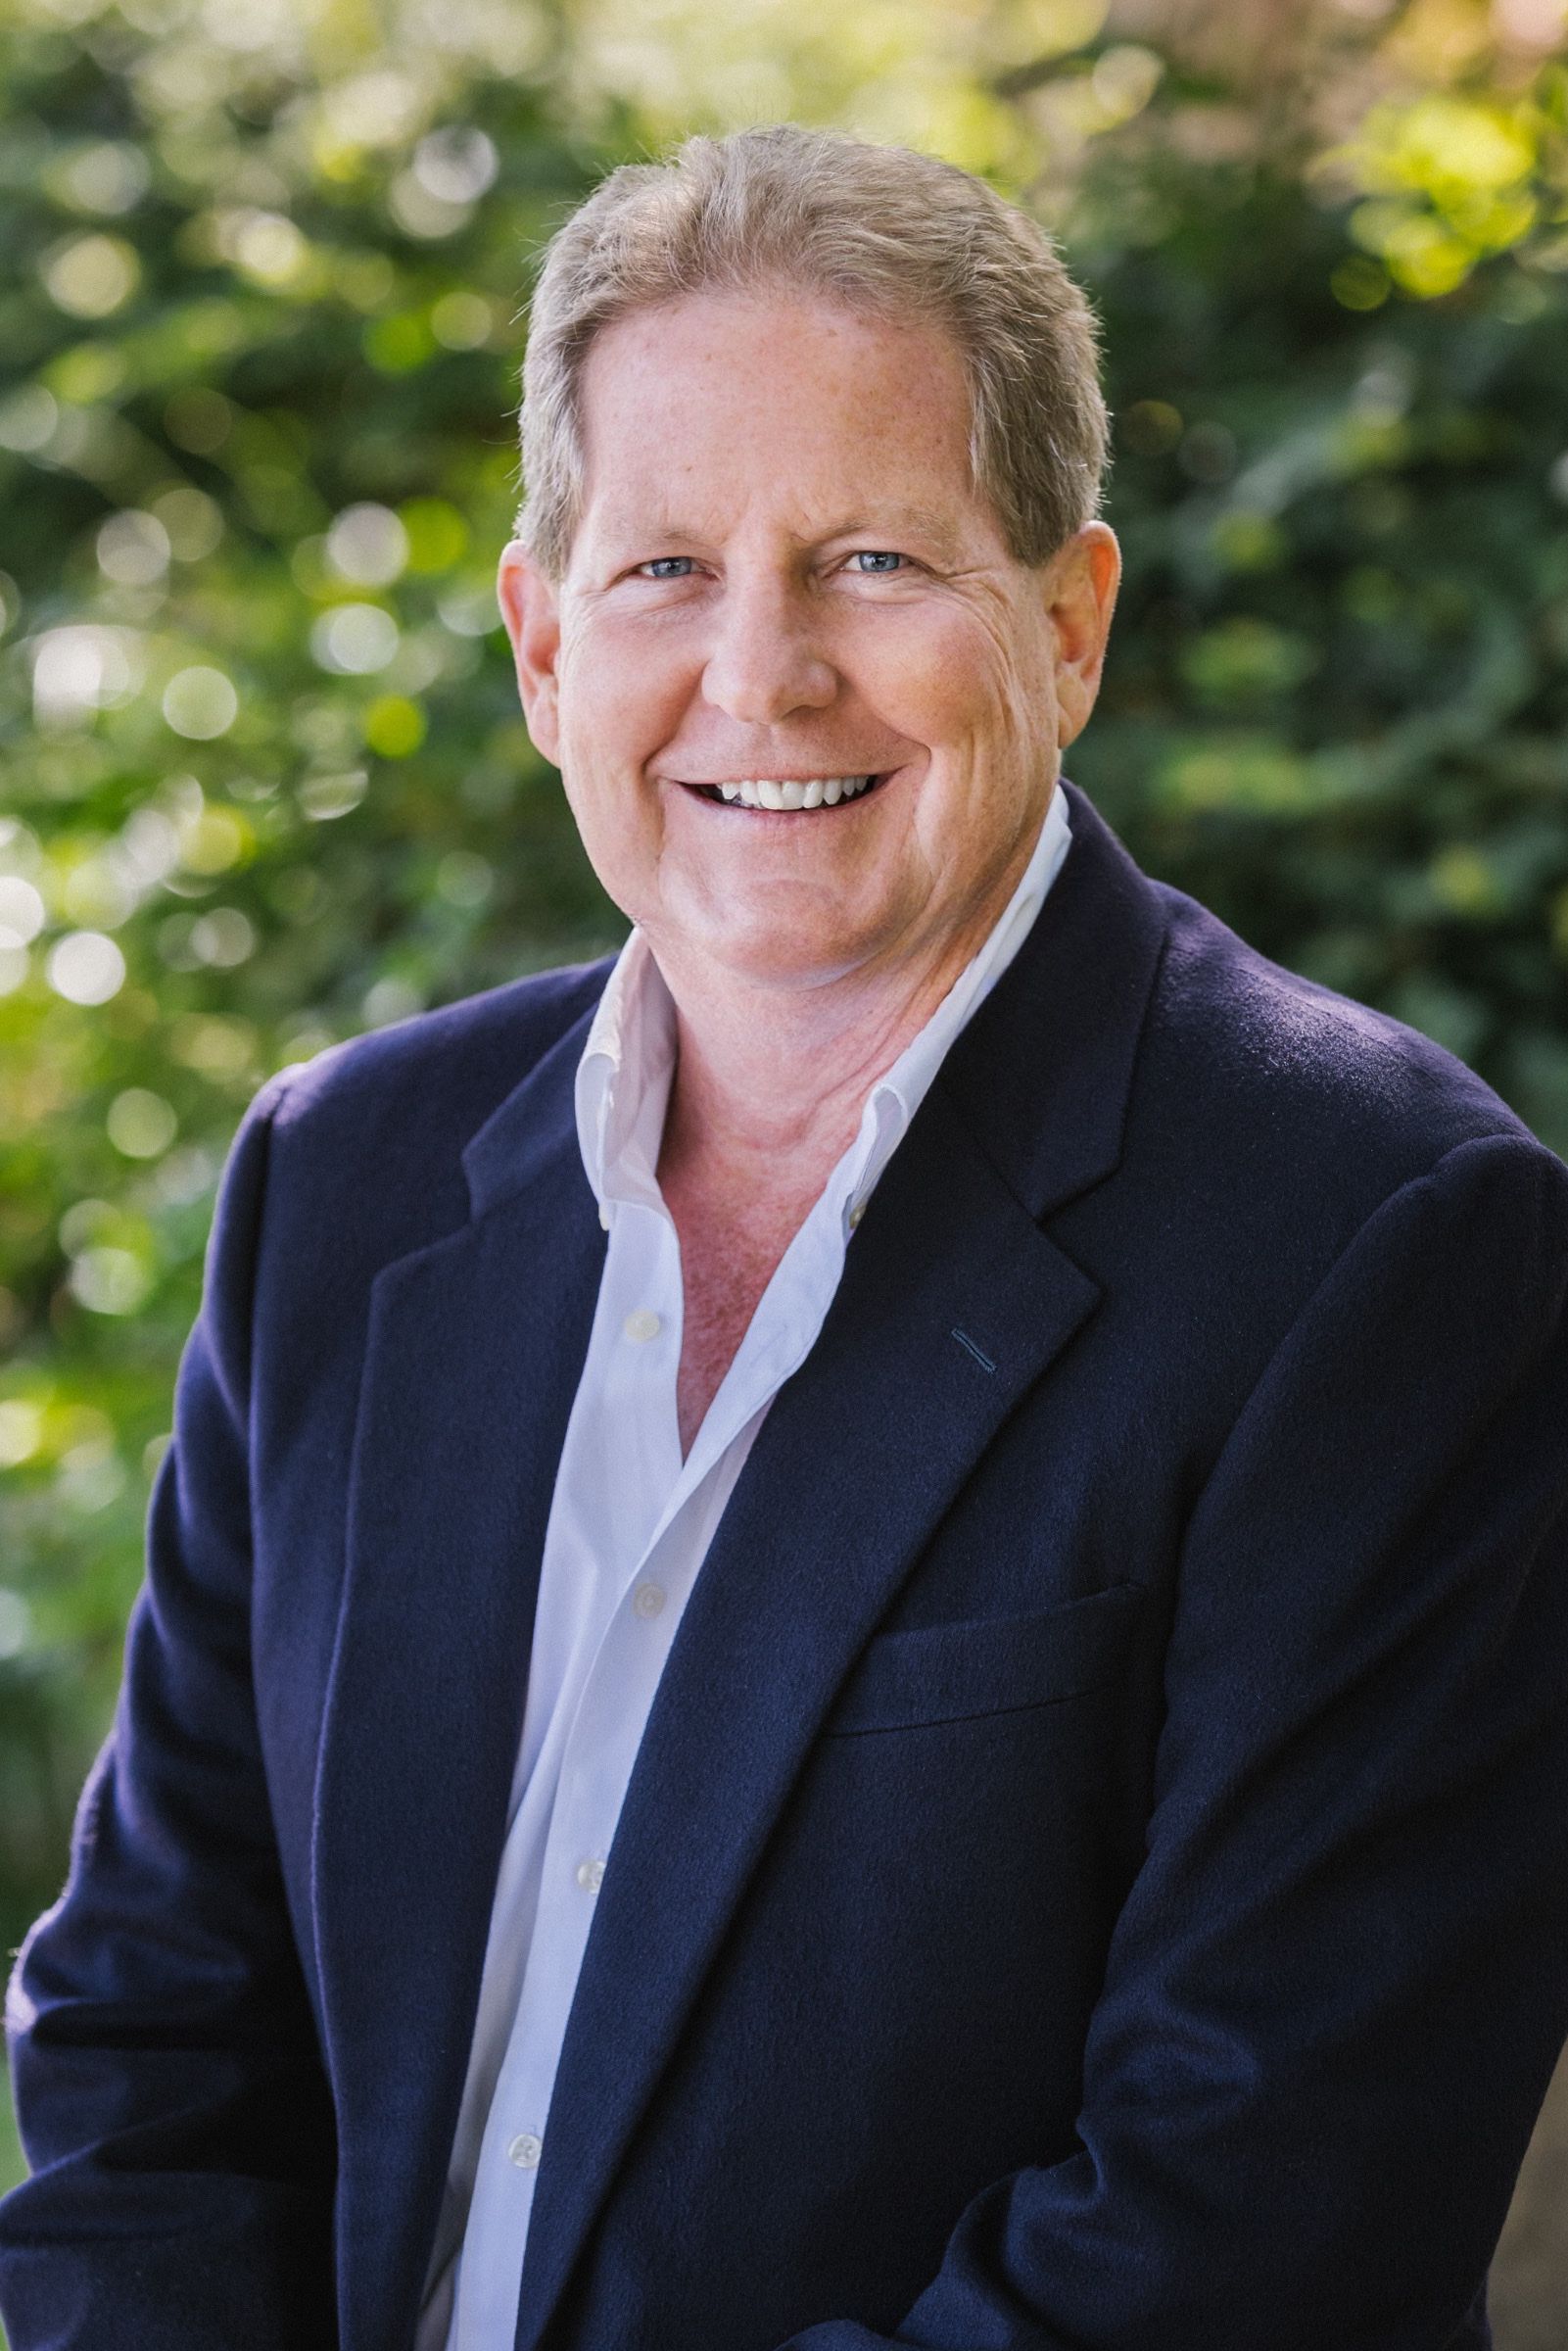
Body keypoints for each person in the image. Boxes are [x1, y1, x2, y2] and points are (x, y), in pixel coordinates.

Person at [2, 121, 1566, 2351]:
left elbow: (1252, 2235)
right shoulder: (341, 1184)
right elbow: (153, 2026)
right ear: (544, 648)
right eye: (662, 571)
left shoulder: (1380, 1242)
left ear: (1069, 620)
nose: (764, 672)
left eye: (872, 562)